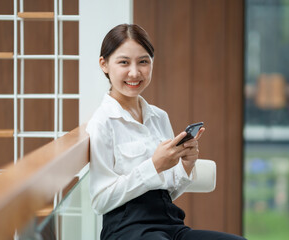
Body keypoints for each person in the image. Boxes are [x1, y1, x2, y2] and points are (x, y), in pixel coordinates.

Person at [86, 23, 246, 240]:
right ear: (104, 64)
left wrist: (186, 165)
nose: (135, 72)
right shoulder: (102, 123)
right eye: (123, 62)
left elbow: (167, 191)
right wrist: (153, 165)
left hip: (169, 223)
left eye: (143, 61)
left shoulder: (159, 117)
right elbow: (100, 200)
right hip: (126, 228)